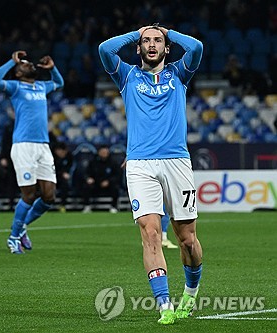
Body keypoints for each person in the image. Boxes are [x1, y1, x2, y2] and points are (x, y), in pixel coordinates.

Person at [99, 24, 203, 324]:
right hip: (140, 165)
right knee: (150, 234)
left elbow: (196, 48)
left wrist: (167, 31)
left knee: (187, 240)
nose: (152, 44)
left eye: (158, 41)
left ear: (166, 46)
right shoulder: (127, 75)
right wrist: (138, 31)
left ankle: (191, 292)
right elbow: (105, 50)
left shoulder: (179, 74)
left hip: (176, 163)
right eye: (146, 41)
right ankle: (164, 304)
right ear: (138, 47)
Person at [0, 50, 64, 254]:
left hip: (43, 146)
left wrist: (53, 68)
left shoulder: (41, 86)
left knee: (49, 196)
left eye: (29, 63)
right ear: (18, 73)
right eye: (24, 64)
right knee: (29, 195)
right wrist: (10, 62)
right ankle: (13, 237)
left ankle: (21, 227)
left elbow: (60, 83)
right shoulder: (15, 87)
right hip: (23, 146)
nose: (29, 64)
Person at [81, 146, 122, 213]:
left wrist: (108, 181)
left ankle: (113, 207)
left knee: (115, 187)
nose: (104, 154)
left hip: (108, 184)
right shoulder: (93, 162)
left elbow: (117, 175)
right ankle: (87, 206)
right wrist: (88, 178)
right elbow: (87, 173)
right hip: (96, 183)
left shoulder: (113, 162)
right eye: (102, 152)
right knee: (86, 186)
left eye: (106, 152)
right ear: (99, 153)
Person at [52, 141, 73, 212]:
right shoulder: (51, 157)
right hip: (52, 177)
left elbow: (71, 167)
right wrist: (61, 173)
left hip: (63, 179)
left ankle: (62, 205)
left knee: (65, 185)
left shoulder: (69, 156)